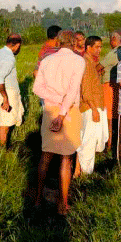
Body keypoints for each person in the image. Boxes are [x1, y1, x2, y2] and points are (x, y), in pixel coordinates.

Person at [33, 31, 86, 215]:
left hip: (50, 109)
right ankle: (63, 203)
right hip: (69, 111)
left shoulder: (47, 60)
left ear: (58, 42)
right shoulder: (78, 61)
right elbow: (72, 91)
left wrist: (56, 99)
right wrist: (62, 113)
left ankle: (38, 199)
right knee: (66, 159)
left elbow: (36, 88)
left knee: (45, 155)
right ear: (73, 43)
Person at [77, 36, 108, 174]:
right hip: (90, 107)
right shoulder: (86, 63)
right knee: (88, 143)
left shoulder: (90, 63)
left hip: (92, 106)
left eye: (101, 47)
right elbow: (86, 89)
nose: (99, 50)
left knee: (87, 141)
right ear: (88, 48)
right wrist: (94, 109)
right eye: (97, 47)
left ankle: (79, 171)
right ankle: (85, 174)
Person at [99, 30, 121, 151]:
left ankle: (109, 144)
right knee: (115, 114)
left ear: (114, 39)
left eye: (111, 39)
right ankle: (114, 141)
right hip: (118, 86)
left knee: (109, 115)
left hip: (109, 85)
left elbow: (99, 66)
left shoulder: (113, 52)